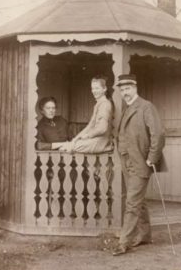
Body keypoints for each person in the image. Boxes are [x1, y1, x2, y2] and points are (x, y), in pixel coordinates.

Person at [112, 74, 165, 256]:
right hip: (127, 161)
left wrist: (152, 157)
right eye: (122, 89)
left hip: (141, 162)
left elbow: (158, 134)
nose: (124, 92)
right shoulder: (126, 108)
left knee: (132, 203)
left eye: (128, 88)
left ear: (135, 87)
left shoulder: (146, 107)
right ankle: (144, 235)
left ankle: (123, 242)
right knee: (139, 201)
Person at [59, 76, 113, 153]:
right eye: (92, 88)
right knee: (71, 144)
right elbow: (90, 126)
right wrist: (76, 139)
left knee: (71, 146)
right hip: (95, 139)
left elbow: (102, 128)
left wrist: (87, 136)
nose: (94, 91)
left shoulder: (105, 104)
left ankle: (107, 147)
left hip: (101, 141)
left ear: (104, 89)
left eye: (97, 88)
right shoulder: (99, 104)